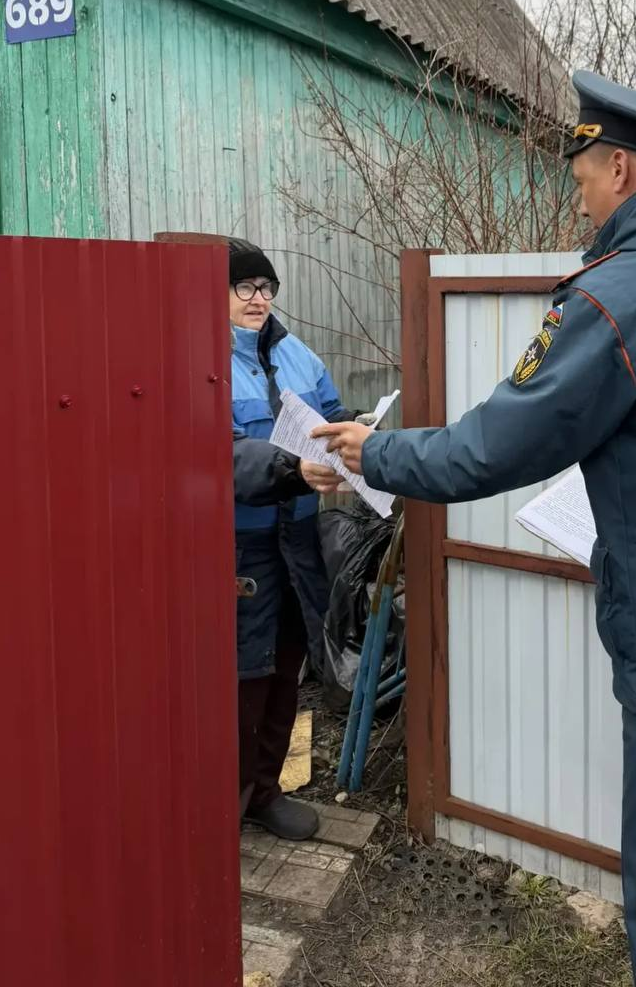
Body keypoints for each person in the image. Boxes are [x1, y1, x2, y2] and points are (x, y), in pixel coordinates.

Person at [311, 73, 636, 987]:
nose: (580, 198)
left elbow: (493, 447)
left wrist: (377, 452)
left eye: (583, 178)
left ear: (622, 169)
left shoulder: (619, 296)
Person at [229, 237, 359, 841]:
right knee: (242, 675)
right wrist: (291, 470)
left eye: (266, 287)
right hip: (241, 545)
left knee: (287, 666)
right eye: (244, 287)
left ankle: (264, 792)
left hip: (298, 537)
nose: (258, 299)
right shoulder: (197, 359)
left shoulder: (297, 354)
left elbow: (332, 414)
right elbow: (219, 453)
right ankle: (224, 807)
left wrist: (357, 431)